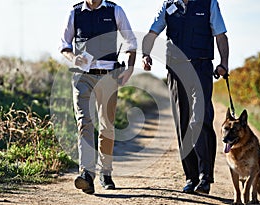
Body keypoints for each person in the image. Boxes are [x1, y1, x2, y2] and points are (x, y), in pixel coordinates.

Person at [142, 0, 229, 194]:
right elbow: (152, 32)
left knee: (201, 119)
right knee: (183, 123)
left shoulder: (208, 4)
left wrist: (224, 63)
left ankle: (205, 177)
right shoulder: (168, 5)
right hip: (176, 69)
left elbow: (220, 35)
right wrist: (145, 54)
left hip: (201, 67)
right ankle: (191, 177)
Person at [59, 0, 137, 194]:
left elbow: (131, 43)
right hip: (82, 77)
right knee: (84, 122)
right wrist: (73, 58)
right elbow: (64, 45)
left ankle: (106, 172)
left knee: (106, 125)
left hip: (109, 77)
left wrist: (129, 69)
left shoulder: (115, 10)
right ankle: (86, 174)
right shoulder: (75, 12)